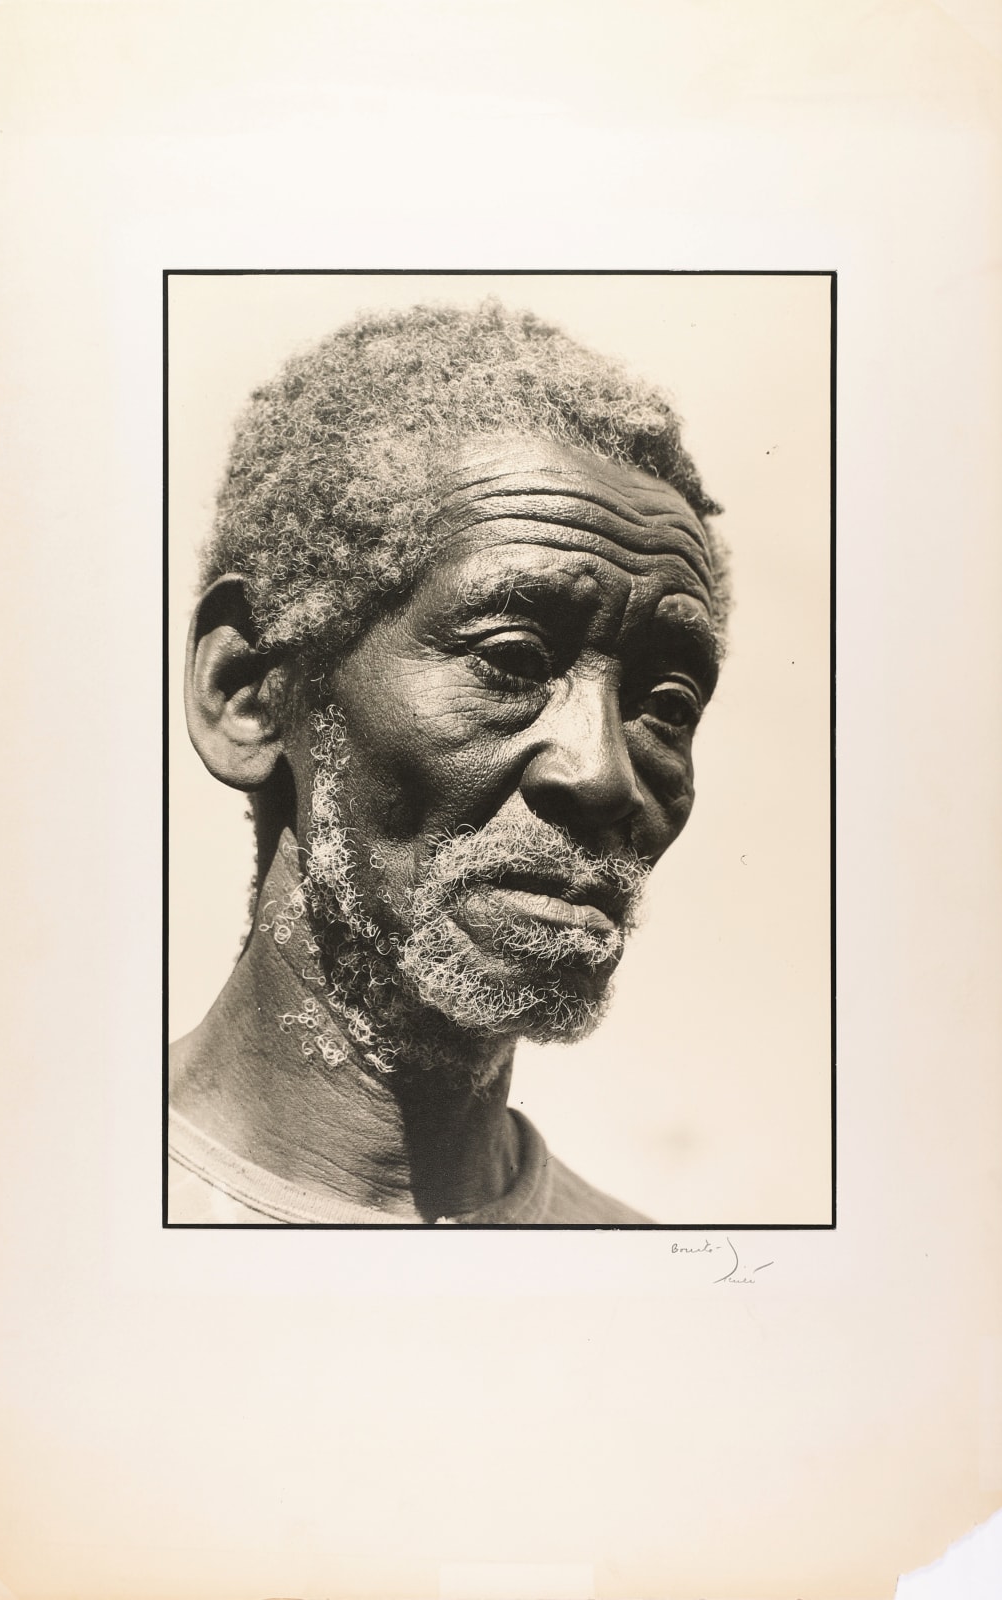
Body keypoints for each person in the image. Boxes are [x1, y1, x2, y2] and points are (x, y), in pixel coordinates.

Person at [168, 299, 730, 1225]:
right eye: (510, 660)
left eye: (664, 707)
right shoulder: (15, 1217)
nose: (600, 775)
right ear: (251, 691)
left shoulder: (652, 1290)